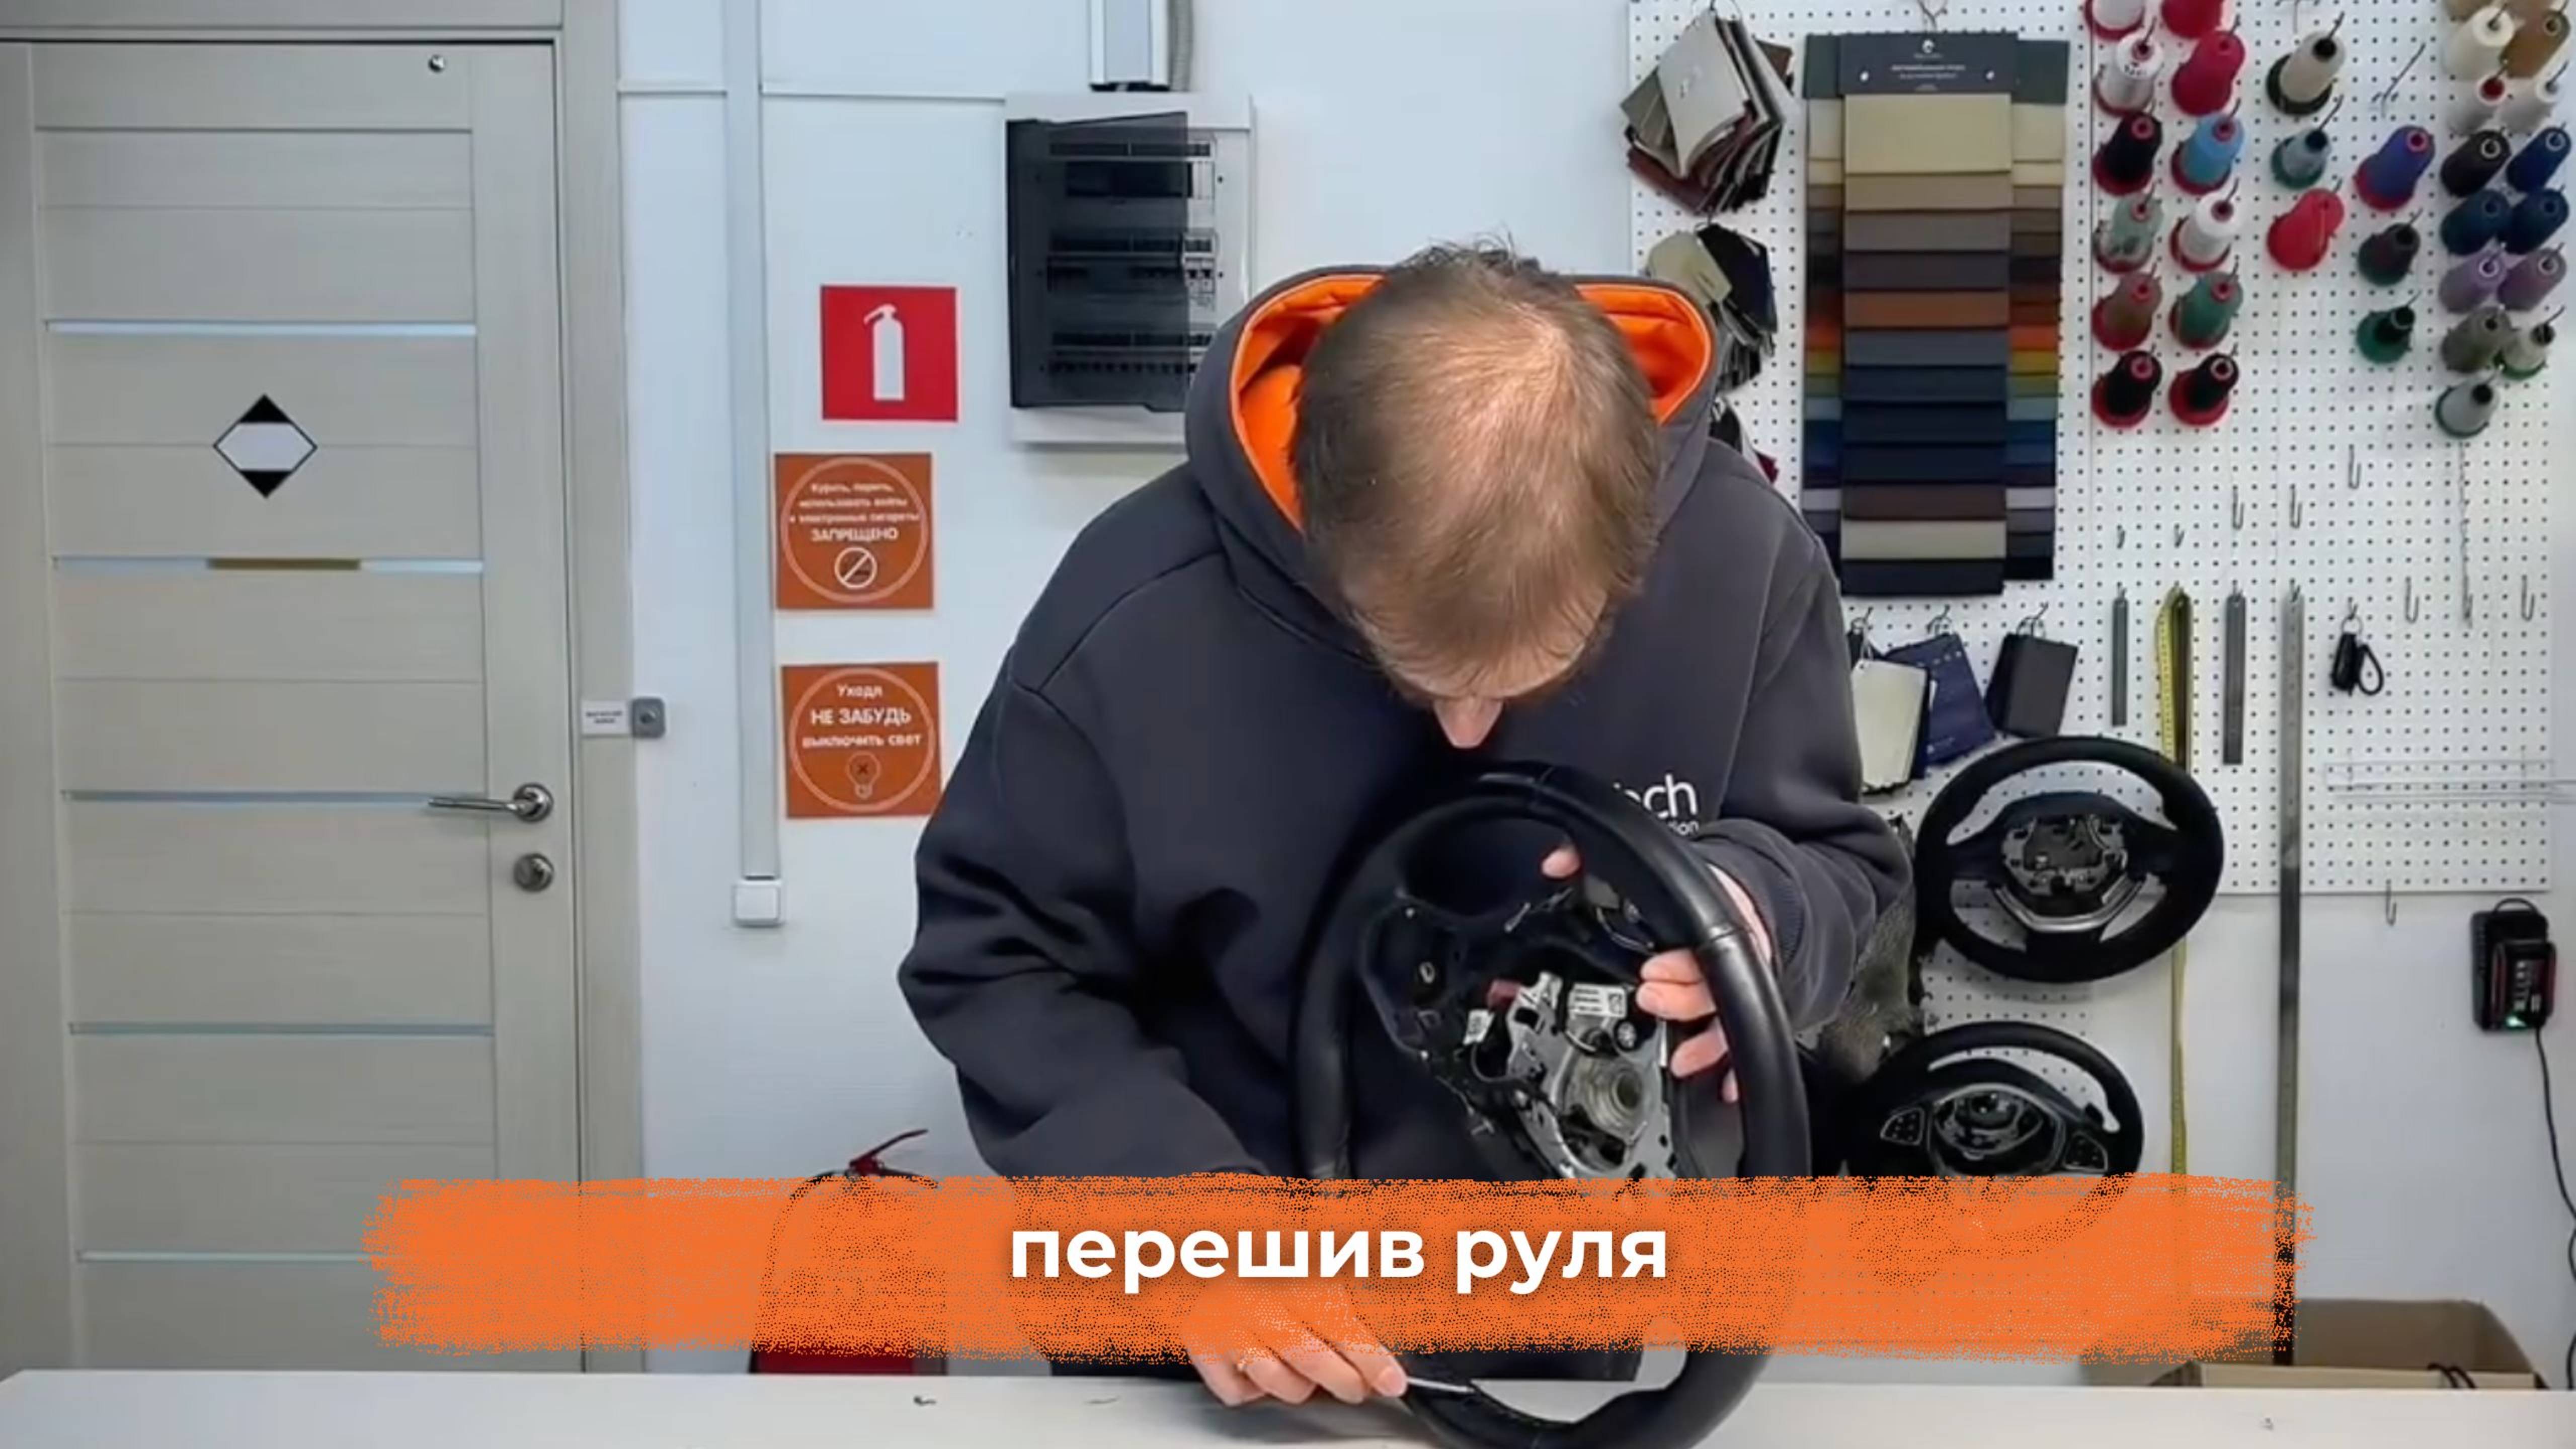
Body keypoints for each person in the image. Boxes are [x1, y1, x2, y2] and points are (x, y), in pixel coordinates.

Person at [898, 245, 1908, 1408]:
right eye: (1417, 673)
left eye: (1527, 680)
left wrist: (1760, 914)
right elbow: (995, 956)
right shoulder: (1133, 611)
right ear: (1321, 527)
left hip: (1548, 1319)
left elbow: (1838, 865)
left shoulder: (1743, 559)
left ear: (1636, 553)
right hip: (1201, 1330)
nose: (1469, 732)